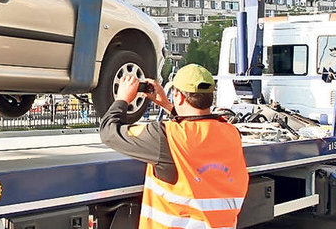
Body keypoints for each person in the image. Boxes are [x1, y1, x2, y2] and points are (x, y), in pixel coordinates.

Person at [100, 64, 249, 229]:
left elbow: (109, 132)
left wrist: (122, 99)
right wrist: (167, 105)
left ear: (179, 96)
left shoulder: (166, 136)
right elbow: (196, 128)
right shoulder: (231, 132)